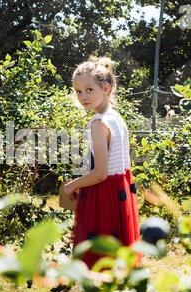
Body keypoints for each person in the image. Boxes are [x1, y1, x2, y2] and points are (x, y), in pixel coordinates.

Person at [63, 56, 141, 274]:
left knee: (96, 263)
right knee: (115, 261)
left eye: (89, 89)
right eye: (78, 91)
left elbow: (100, 173)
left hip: (103, 195)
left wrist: (72, 186)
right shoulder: (115, 117)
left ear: (105, 88)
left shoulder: (98, 123)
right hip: (120, 192)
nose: (82, 96)